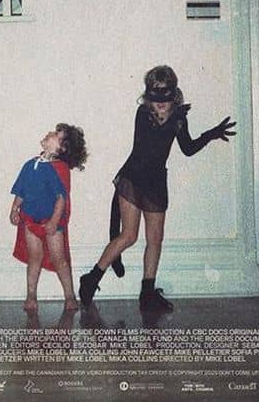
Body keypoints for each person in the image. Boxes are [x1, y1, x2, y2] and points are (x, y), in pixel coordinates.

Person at [78, 66, 236, 312]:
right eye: (156, 96)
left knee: (155, 239)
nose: (161, 103)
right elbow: (148, 144)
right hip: (133, 178)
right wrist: (175, 119)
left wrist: (210, 134)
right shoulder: (143, 114)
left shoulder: (178, 118)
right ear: (148, 96)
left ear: (174, 95)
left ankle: (147, 293)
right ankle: (91, 279)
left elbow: (187, 149)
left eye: (166, 96)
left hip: (156, 183)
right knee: (128, 236)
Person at [10, 123, 88, 312]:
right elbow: (21, 191)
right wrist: (14, 209)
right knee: (34, 258)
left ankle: (70, 296)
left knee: (59, 259)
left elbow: (61, 198)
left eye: (55, 134)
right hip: (30, 221)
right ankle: (31, 296)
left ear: (62, 148)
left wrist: (54, 221)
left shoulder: (59, 168)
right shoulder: (30, 165)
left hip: (52, 224)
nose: (49, 133)